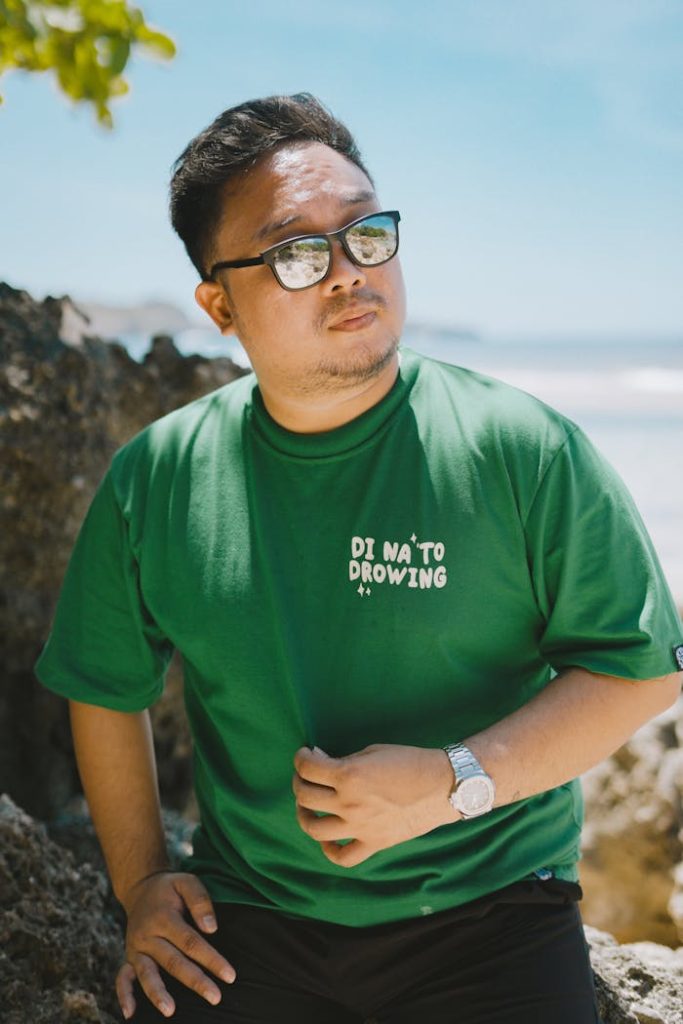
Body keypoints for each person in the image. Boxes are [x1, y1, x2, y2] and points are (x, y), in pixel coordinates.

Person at [35, 92, 683, 1024]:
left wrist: (456, 780)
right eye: (297, 251)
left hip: (492, 910)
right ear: (219, 303)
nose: (347, 272)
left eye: (366, 233)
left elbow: (636, 672)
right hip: (247, 919)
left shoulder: (523, 448)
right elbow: (103, 683)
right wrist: (141, 882)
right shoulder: (158, 478)